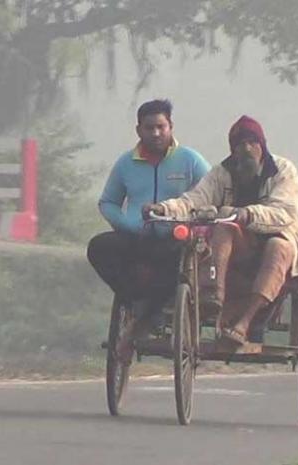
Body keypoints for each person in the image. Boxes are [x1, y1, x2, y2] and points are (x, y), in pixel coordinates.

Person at [145, 115, 298, 344]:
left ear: (262, 145)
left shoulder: (283, 170)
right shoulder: (221, 173)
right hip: (238, 246)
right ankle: (213, 296)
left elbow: (284, 212)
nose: (247, 148)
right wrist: (164, 208)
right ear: (233, 150)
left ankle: (244, 323)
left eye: (252, 142)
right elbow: (194, 200)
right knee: (224, 227)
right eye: (240, 144)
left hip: (278, 239)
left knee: (278, 246)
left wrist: (247, 214)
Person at [87, 99, 211, 349]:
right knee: (98, 247)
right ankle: (133, 300)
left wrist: (198, 229)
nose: (155, 133)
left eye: (161, 127)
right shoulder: (125, 164)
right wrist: (125, 224)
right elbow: (108, 202)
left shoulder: (190, 160)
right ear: (139, 130)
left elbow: (213, 197)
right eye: (149, 128)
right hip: (137, 237)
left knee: (175, 266)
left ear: (170, 127)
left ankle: (150, 314)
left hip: (177, 238)